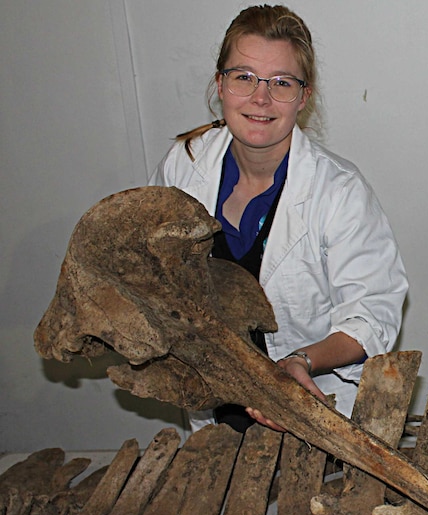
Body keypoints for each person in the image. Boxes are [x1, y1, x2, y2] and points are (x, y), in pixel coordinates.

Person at [149, 5, 408, 433]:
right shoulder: (183, 166)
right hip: (212, 410)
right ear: (220, 84)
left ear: (304, 97)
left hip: (311, 409)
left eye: (281, 83)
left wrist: (300, 361)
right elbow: (155, 275)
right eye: (244, 77)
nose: (260, 98)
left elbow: (372, 316)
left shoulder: (339, 191)